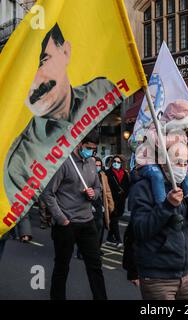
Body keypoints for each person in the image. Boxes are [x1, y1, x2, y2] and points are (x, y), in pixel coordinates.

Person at [4, 23, 124, 201]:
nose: (36, 80)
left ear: (66, 51)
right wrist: (62, 218)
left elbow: (99, 189)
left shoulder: (103, 90)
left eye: (44, 61)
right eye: (26, 73)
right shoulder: (19, 162)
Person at [129, 142, 188, 300]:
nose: (182, 167)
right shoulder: (143, 187)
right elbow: (141, 230)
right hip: (158, 278)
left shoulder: (184, 186)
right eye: (177, 162)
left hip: (185, 274)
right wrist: (167, 205)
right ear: (163, 162)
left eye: (185, 162)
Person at [43, 131, 107, 300]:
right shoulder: (64, 163)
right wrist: (62, 219)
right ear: (79, 144)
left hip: (87, 221)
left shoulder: (92, 163)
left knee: (95, 266)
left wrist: (94, 194)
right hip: (67, 223)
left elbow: (98, 189)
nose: (91, 153)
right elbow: (49, 194)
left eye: (94, 150)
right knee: (62, 267)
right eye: (88, 148)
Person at [132, 99, 188, 203]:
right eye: (184, 126)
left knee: (185, 175)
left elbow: (183, 146)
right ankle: (162, 203)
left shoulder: (179, 132)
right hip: (148, 162)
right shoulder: (156, 127)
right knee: (157, 176)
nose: (186, 130)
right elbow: (158, 143)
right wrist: (176, 139)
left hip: (163, 162)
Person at [105, 155, 130, 247]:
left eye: (118, 162)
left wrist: (123, 195)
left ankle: (109, 238)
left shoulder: (125, 173)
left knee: (114, 220)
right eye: (115, 161)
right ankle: (119, 240)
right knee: (114, 220)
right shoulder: (107, 173)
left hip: (121, 201)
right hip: (111, 200)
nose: (116, 163)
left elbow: (128, 186)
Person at [94, 157, 114, 248]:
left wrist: (111, 205)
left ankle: (97, 248)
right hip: (90, 205)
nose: (97, 167)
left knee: (101, 226)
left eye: (99, 165)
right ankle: (81, 251)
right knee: (89, 229)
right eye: (96, 165)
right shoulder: (87, 175)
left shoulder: (103, 175)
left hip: (101, 205)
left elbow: (108, 191)